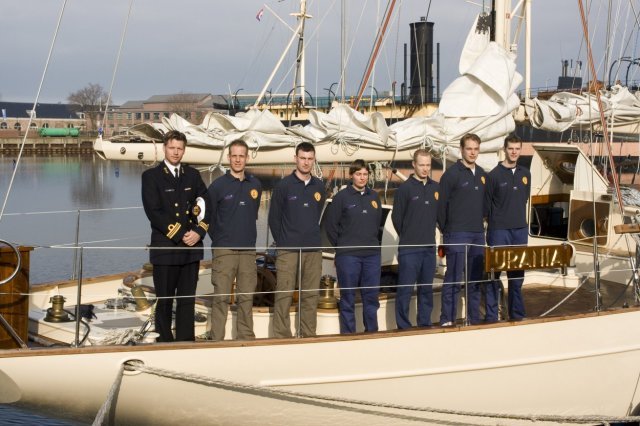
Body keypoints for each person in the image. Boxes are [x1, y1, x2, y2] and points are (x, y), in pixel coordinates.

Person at [141, 130, 211, 342]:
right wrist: (181, 234)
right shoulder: (151, 177)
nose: (176, 152)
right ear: (165, 148)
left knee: (187, 301)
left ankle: (185, 342)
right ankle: (164, 342)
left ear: (184, 150)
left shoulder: (193, 175)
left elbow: (206, 205)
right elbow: (154, 212)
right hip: (166, 249)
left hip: (191, 250)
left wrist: (199, 232)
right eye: (172, 148)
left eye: (180, 148)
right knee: (164, 301)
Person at [268, 142, 325, 338]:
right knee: (284, 293)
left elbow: (317, 213)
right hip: (288, 249)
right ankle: (281, 335)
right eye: (302, 158)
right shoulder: (283, 186)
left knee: (310, 294)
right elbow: (274, 219)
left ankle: (308, 333)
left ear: (314, 160)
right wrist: (284, 241)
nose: (306, 162)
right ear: (295, 159)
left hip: (313, 249)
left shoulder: (319, 186)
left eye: (310, 159)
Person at [207, 139, 262, 340]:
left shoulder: (255, 185)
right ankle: (217, 340)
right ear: (229, 157)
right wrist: (221, 238)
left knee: (246, 298)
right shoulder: (217, 186)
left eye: (242, 156)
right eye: (234, 156)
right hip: (224, 250)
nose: (238, 160)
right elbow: (209, 218)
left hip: (248, 250)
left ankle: (245, 338)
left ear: (247, 158)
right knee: (221, 298)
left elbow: (253, 213)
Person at [325, 159, 382, 334]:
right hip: (348, 256)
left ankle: (371, 333)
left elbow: (377, 223)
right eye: (358, 174)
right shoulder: (341, 197)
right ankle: (348, 335)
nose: (362, 177)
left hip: (371, 255)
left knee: (371, 298)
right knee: (348, 297)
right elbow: (330, 226)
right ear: (351, 176)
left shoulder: (374, 197)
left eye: (365, 174)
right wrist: (342, 248)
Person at [437, 133, 488, 326]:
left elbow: (485, 205)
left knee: (475, 279)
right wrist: (448, 231)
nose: (472, 153)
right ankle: (447, 319)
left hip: (478, 234)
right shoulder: (451, 175)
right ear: (461, 150)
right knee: (453, 278)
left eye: (476, 149)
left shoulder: (482, 175)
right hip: (456, 233)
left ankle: (473, 318)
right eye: (469, 149)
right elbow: (441, 207)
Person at [484, 135, 531, 321]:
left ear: (520, 150)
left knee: (517, 276)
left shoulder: (525, 174)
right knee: (494, 275)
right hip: (499, 231)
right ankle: (491, 316)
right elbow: (487, 206)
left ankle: (516, 314)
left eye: (517, 149)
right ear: (505, 149)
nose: (514, 152)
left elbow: (523, 199)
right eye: (511, 148)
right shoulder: (493, 176)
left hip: (519, 230)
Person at [392, 149, 439, 329]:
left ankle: (424, 323)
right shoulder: (404, 189)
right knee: (405, 290)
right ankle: (403, 326)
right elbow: (397, 218)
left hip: (429, 248)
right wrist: (409, 235)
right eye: (421, 165)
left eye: (428, 165)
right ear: (414, 165)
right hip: (409, 248)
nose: (425, 169)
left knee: (426, 289)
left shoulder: (436, 188)